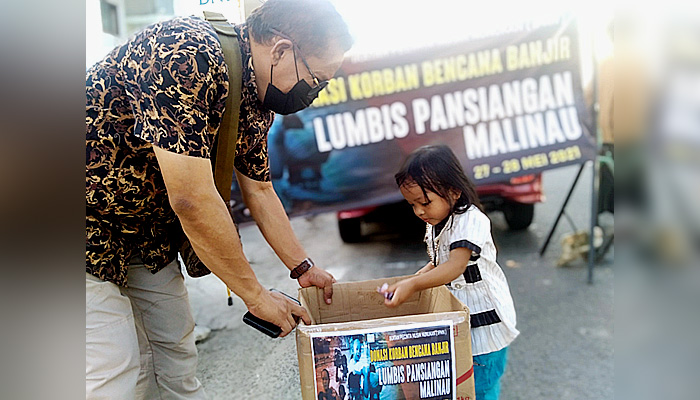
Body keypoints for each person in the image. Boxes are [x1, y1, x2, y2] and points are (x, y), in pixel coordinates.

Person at [85, 0, 353, 398]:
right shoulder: (184, 54)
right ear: (280, 50)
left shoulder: (255, 98)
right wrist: (256, 296)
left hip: (143, 235)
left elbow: (260, 189)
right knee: (117, 370)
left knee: (175, 356)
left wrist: (302, 267)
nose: (312, 93)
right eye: (315, 78)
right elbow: (191, 199)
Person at [379, 145, 519, 400]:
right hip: (462, 321)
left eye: (425, 202)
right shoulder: (437, 222)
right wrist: (408, 281)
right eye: (412, 205)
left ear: (453, 192)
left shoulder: (470, 219)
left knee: (482, 386)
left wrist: (412, 286)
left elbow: (454, 266)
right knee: (461, 384)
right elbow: (437, 263)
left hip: (485, 324)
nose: (419, 211)